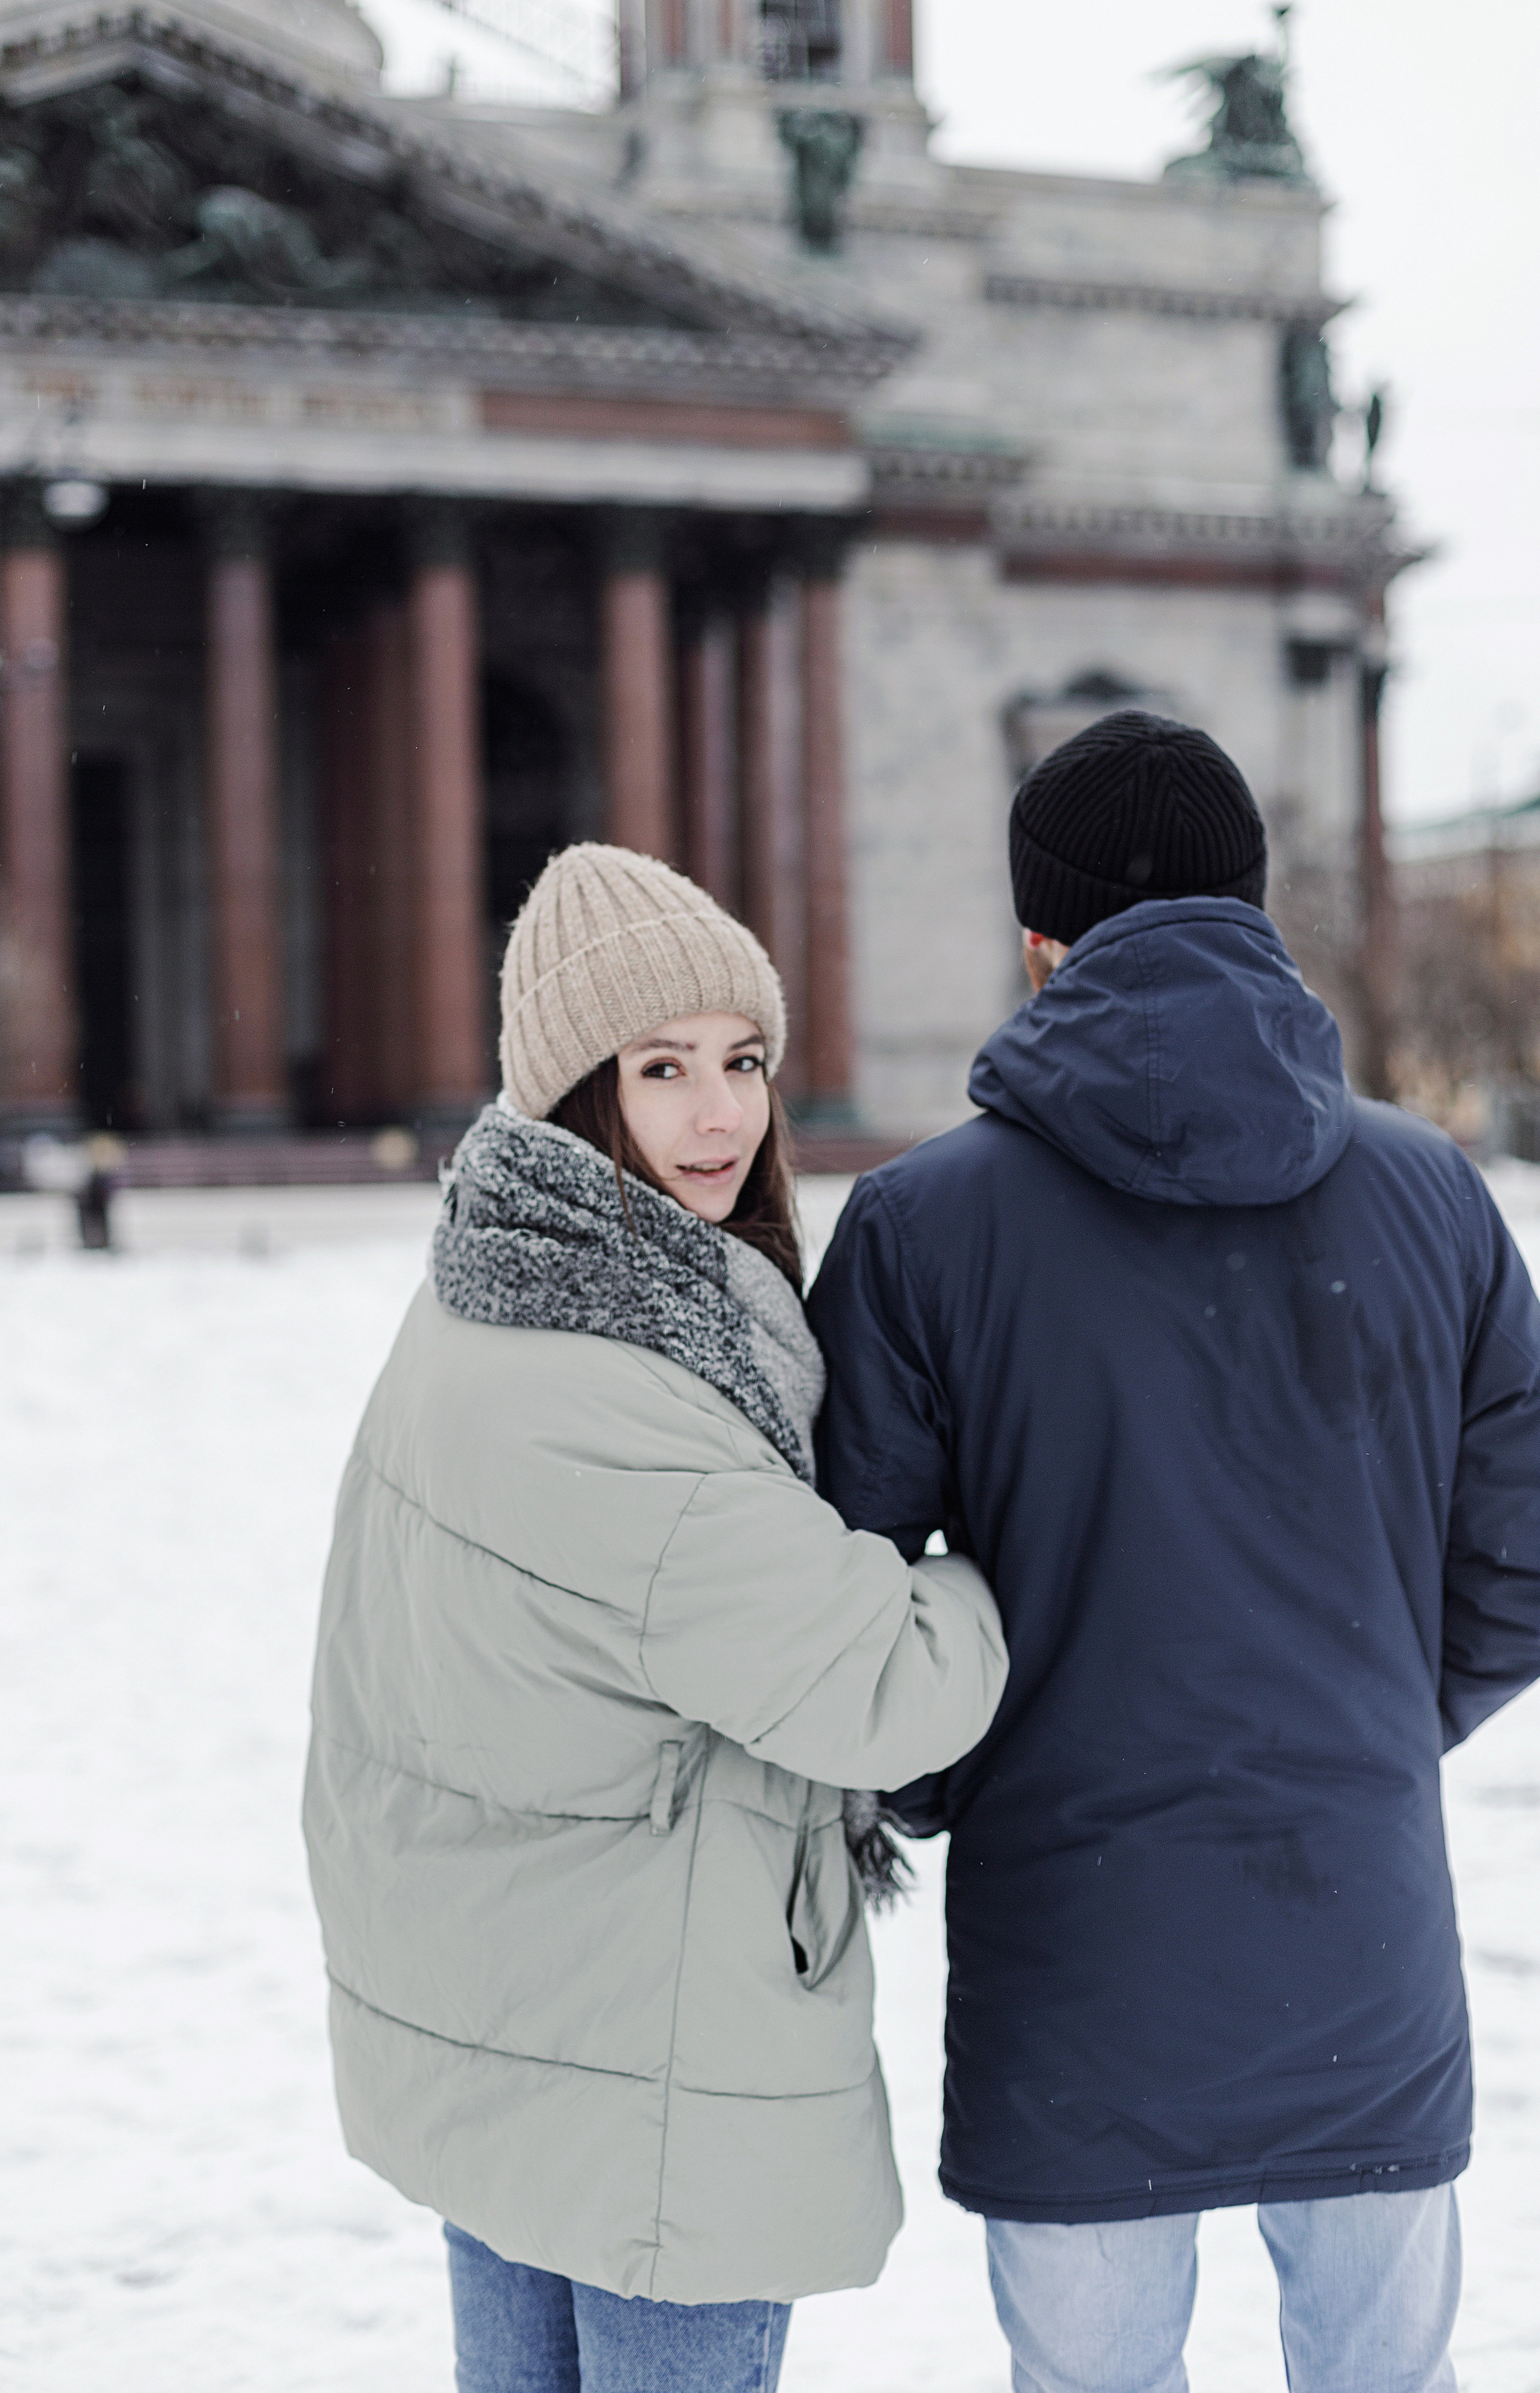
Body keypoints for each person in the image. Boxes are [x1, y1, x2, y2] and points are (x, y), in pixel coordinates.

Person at [808, 711, 1540, 2393]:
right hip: (1356, 1934)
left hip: (1078, 1953)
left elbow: (852, 1592)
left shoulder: (926, 1226)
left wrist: (951, 1787)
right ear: (1258, 909)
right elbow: (1524, 1561)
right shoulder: (1437, 1200)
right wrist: (1363, 1721)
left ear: (1039, 944)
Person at [303, 844, 1007, 2393]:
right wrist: (972, 1568)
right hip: (647, 2067)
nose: (721, 1114)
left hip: (511, 2017)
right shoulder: (620, 1389)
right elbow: (877, 1689)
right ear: (572, 1094)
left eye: (743, 1061)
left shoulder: (481, 1296)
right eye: (662, 1068)